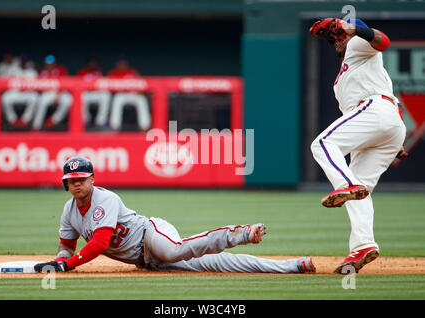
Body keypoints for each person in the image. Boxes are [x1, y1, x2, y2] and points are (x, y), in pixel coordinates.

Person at [34, 156, 316, 274]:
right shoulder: (69, 210)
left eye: (82, 178)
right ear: (66, 184)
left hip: (149, 235)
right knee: (220, 265)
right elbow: (66, 245)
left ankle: (237, 233)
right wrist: (60, 258)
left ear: (93, 179)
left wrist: (66, 266)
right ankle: (293, 266)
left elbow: (100, 243)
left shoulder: (105, 198)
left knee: (173, 251)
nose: (77, 184)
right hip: (147, 262)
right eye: (72, 180)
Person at [309, 18, 408, 274]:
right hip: (386, 124)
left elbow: (382, 40)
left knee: (322, 144)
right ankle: (363, 245)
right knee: (360, 191)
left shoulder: (358, 46)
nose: (336, 41)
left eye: (337, 35)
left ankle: (346, 184)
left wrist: (351, 29)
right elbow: (387, 101)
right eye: (334, 38)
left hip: (375, 111)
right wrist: (392, 141)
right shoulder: (353, 70)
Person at [33, 54, 72, 130]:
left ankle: (54, 120)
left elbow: (66, 83)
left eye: (51, 63)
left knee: (68, 100)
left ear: (55, 63)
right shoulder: (41, 71)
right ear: (44, 63)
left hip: (60, 92)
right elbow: (38, 87)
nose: (49, 65)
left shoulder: (61, 70)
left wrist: (58, 94)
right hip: (46, 93)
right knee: (41, 101)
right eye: (47, 63)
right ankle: (36, 126)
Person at [1, 54, 39, 129]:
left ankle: (25, 120)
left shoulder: (32, 72)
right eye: (22, 61)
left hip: (27, 94)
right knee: (5, 98)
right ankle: (12, 120)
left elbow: (36, 86)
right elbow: (4, 81)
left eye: (24, 61)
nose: (23, 63)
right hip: (15, 93)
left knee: (35, 97)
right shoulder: (13, 69)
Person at [77, 56, 111, 128]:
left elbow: (105, 83)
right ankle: (85, 120)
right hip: (87, 93)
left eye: (94, 63)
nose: (92, 64)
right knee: (82, 96)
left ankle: (101, 121)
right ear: (88, 63)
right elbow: (77, 85)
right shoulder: (82, 72)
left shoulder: (100, 71)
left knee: (106, 95)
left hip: (98, 93)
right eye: (90, 62)